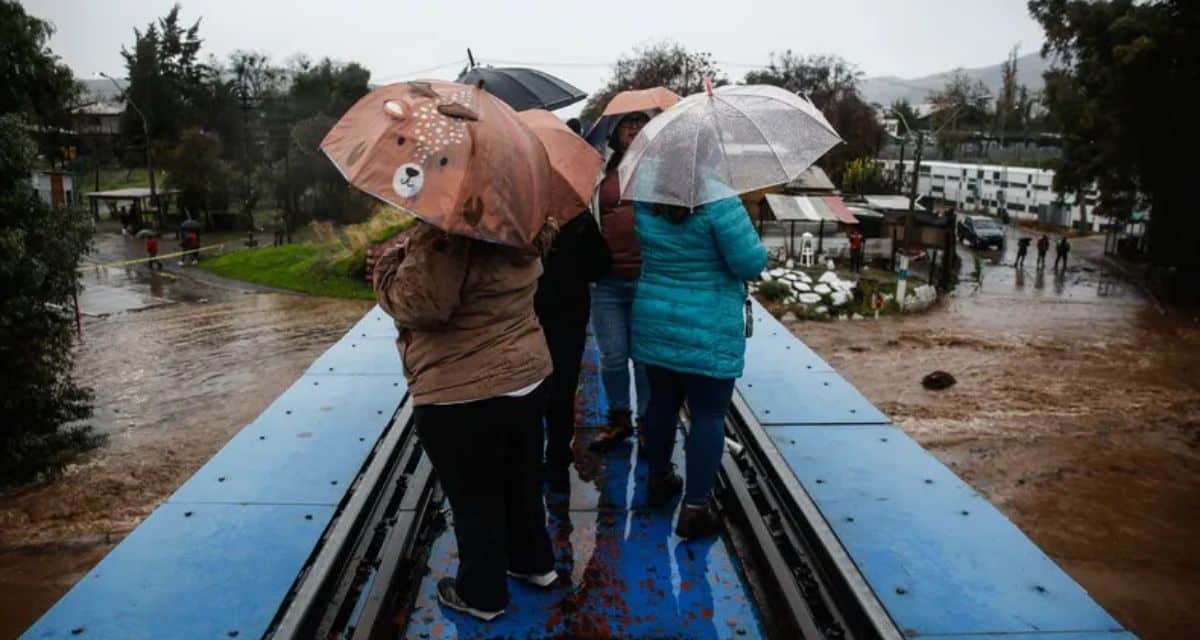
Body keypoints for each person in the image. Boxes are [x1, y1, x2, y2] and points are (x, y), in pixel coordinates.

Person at [373, 221, 558, 621]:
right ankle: (535, 564)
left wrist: (387, 265)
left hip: (461, 389)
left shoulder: (446, 234)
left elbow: (422, 305)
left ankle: (483, 596)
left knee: (475, 498)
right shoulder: (523, 223)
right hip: (526, 376)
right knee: (521, 480)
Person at [632, 195, 768, 539]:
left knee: (661, 403)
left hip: (657, 318)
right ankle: (694, 510)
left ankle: (659, 480)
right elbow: (750, 264)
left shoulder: (647, 200)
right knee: (708, 415)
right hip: (709, 326)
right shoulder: (720, 202)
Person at [589, 111, 653, 452]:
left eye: (641, 123)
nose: (634, 128)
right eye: (628, 122)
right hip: (607, 280)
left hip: (648, 278)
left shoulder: (661, 168)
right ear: (614, 131)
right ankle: (619, 420)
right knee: (612, 356)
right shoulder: (600, 169)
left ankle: (646, 423)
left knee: (644, 358)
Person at [535, 211, 612, 491]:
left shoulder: (511, 209)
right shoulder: (576, 214)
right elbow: (600, 265)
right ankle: (557, 453)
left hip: (524, 314)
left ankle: (528, 455)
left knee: (526, 386)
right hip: (568, 313)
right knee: (563, 383)